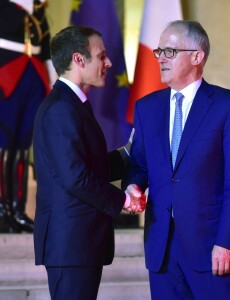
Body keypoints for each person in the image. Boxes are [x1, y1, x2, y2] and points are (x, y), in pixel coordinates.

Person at [124, 20, 230, 299]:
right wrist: (132, 186)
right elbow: (139, 166)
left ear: (197, 57)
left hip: (212, 248)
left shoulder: (228, 106)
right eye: (159, 51)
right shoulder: (147, 108)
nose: (160, 57)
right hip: (161, 249)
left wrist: (227, 242)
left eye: (169, 51)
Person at [32, 25, 145, 300]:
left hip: (79, 244)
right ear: (79, 60)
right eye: (101, 56)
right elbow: (75, 177)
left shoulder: (73, 103)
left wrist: (127, 153)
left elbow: (87, 166)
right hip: (70, 245)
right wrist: (124, 201)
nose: (108, 62)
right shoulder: (61, 107)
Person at [0, 0, 56, 233]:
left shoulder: (38, 11)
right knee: (3, 141)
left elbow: (45, 47)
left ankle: (17, 208)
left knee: (23, 144)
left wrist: (54, 82)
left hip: (33, 73)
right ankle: (2, 210)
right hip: (6, 70)